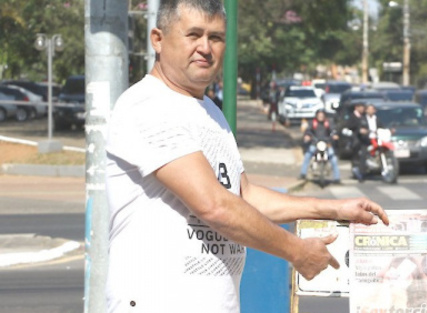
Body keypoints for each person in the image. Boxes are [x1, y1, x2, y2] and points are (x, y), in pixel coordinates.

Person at [105, 1, 389, 313]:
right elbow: (214, 205)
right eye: (193, 35)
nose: (205, 48)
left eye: (215, 38)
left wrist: (335, 209)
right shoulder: (148, 105)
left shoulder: (210, 112)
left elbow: (244, 196)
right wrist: (296, 251)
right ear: (158, 39)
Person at [298, 109, 341, 184]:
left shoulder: (328, 123)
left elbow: (333, 130)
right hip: (315, 143)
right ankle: (303, 173)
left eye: (322, 115)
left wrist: (335, 135)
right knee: (307, 155)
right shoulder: (312, 123)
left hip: (326, 143)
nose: (321, 117)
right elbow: (308, 131)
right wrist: (307, 136)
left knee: (333, 158)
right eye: (319, 115)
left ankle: (337, 178)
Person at [345, 102, 369, 182]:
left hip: (364, 139)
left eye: (363, 107)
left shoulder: (364, 116)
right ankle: (358, 172)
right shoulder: (352, 116)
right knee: (357, 156)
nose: (362, 109)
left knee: (364, 155)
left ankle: (363, 171)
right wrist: (358, 130)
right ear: (356, 108)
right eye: (361, 107)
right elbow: (348, 126)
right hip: (355, 140)